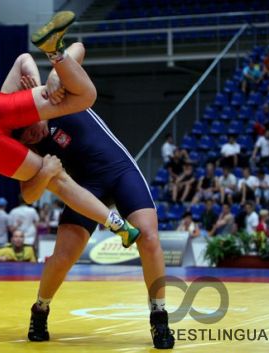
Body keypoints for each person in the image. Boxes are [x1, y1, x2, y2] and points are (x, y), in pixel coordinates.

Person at [0, 11, 140, 281]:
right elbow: (25, 59)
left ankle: (117, 225)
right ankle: (117, 224)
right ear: (27, 140)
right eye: (33, 135)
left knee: (82, 104)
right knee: (61, 167)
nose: (39, 133)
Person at [12, 58, 174, 348]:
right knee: (62, 258)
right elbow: (27, 194)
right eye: (24, 138)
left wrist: (53, 76)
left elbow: (77, 49)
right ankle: (40, 308)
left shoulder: (57, 97)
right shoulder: (35, 150)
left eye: (29, 128)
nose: (31, 136)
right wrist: (45, 171)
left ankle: (159, 316)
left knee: (148, 238)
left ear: (33, 106)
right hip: (86, 190)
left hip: (121, 171)